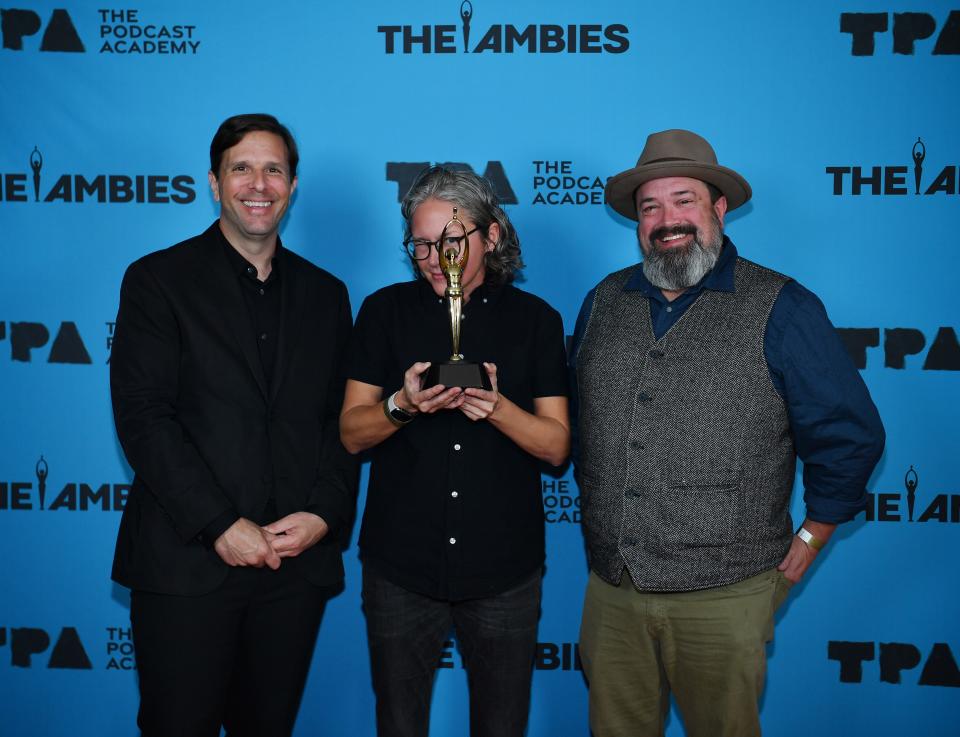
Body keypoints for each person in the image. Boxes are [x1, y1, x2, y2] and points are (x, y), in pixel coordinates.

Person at [572, 129, 885, 737]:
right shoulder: (603, 301)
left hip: (727, 594)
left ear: (718, 208)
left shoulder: (784, 306)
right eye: (650, 207)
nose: (668, 221)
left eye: (684, 200)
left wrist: (815, 533)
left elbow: (849, 432)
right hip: (612, 590)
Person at [110, 113, 356, 737]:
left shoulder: (327, 295)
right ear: (215, 184)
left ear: (293, 186)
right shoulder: (157, 281)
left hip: (292, 571)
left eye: (274, 169)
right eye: (241, 168)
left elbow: (340, 421)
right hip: (187, 567)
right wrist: (220, 525)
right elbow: (144, 419)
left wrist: (326, 513)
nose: (259, 184)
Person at [340, 166, 570, 737]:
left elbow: (557, 447)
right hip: (401, 568)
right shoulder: (383, 312)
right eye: (420, 244)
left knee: (501, 726)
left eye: (450, 241)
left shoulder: (536, 320)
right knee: (398, 724)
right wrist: (404, 405)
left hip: (504, 572)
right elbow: (351, 432)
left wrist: (497, 407)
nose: (432, 257)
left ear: (491, 237)